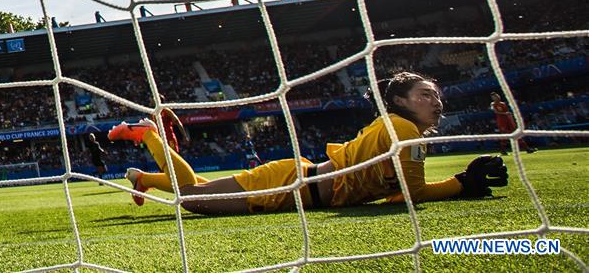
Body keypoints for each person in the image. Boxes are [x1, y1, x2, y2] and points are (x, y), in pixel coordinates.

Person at [110, 71, 508, 215]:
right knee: (191, 198)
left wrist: (460, 183)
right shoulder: (401, 131)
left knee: (193, 193)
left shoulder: (406, 133)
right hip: (289, 188)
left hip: (296, 180)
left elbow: (400, 193)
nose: (435, 101)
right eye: (424, 94)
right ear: (399, 101)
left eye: (436, 95)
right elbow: (412, 194)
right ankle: (149, 136)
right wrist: (462, 184)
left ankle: (146, 173)